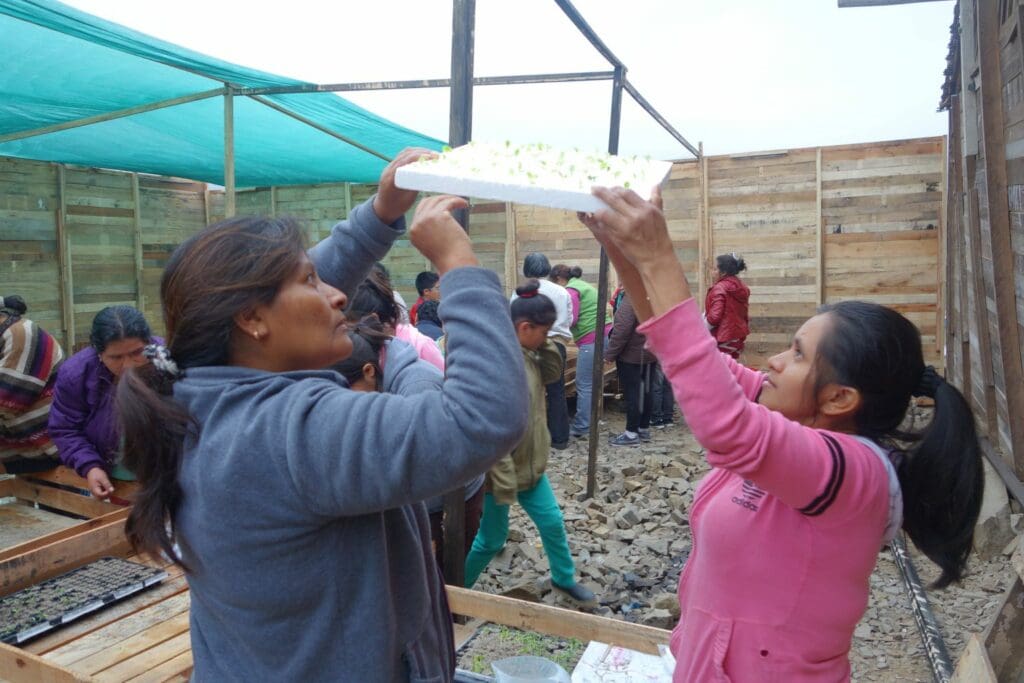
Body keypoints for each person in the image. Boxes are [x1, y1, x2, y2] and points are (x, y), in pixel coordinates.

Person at [116, 149, 529, 682]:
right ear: (251, 320)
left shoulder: (202, 393)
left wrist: (379, 216)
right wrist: (460, 269)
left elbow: (278, 295)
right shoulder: (292, 432)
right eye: (311, 281)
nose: (338, 296)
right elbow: (482, 417)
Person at [578, 184, 984, 682]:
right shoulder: (792, 422)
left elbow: (725, 427)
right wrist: (624, 252)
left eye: (797, 354)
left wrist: (660, 256)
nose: (774, 361)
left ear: (839, 398)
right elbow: (687, 353)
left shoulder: (854, 472)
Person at [464, 280, 596, 606]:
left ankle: (563, 579)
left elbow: (552, 373)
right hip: (503, 472)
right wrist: (503, 475)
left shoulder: (528, 352)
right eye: (543, 331)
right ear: (524, 327)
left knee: (552, 521)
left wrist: (546, 343)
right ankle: (453, 589)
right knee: (490, 540)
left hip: (530, 465)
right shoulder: (502, 364)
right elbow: (491, 428)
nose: (547, 337)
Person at [333, 318, 485, 573]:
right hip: (422, 493)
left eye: (346, 391)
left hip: (447, 496)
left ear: (369, 371)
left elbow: (426, 465)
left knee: (437, 572)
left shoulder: (417, 387)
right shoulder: (379, 376)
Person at [49, 305, 156, 498]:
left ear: (149, 343)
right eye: (116, 357)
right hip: (116, 478)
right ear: (99, 353)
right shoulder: (76, 374)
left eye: (137, 353)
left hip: (165, 476)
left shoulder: (169, 362)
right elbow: (65, 429)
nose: (128, 365)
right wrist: (90, 466)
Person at [512, 253, 573, 450]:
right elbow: (569, 319)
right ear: (547, 268)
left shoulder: (518, 293)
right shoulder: (561, 292)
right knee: (557, 391)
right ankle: (560, 438)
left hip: (527, 345)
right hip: (556, 343)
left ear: (526, 270)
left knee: (528, 390)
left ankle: (528, 439)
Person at [0, 295, 65, 473]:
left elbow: (8, 397)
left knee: (63, 496)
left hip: (53, 444)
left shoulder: (22, 333)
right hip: (24, 448)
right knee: (35, 492)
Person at [549, 264, 610, 439]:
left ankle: (583, 426)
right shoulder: (582, 285)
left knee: (583, 383)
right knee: (593, 382)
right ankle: (592, 420)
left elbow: (572, 319)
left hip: (592, 339)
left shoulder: (571, 290)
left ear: (559, 280)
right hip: (601, 335)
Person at [346, 268, 446, 371]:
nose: (347, 333)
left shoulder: (420, 346)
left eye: (352, 328)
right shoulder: (347, 351)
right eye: (438, 288)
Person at [604, 289, 653, 446]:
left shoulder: (632, 297)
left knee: (633, 393)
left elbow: (622, 328)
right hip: (650, 352)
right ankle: (643, 428)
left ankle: (631, 434)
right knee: (646, 391)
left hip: (632, 355)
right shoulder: (651, 294)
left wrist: (610, 354)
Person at [704, 253, 750, 359]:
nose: (712, 272)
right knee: (731, 370)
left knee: (718, 372)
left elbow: (714, 318)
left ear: (723, 272)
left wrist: (702, 329)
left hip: (723, 339)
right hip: (737, 339)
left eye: (715, 269)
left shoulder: (720, 288)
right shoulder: (742, 287)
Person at [648, 363, 676, 429]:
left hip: (659, 358)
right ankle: (668, 418)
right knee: (668, 389)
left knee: (657, 388)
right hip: (671, 358)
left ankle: (656, 419)